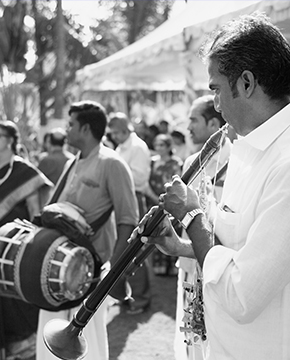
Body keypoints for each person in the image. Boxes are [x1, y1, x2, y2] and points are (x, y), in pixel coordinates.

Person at [138, 13, 290, 360]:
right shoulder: (246, 146)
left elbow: (242, 294)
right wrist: (180, 245)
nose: (215, 103)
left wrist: (192, 214)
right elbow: (232, 246)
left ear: (247, 83)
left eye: (216, 88)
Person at [36, 100, 139, 360]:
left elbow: (128, 219)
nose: (66, 130)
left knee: (87, 347)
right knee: (48, 342)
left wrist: (111, 276)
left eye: (71, 125)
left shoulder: (112, 163)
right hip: (56, 269)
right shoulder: (72, 163)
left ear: (84, 129)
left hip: (91, 273)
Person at [0, 120, 53, 360]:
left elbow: (36, 212)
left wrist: (33, 244)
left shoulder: (26, 171)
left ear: (11, 140)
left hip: (14, 246)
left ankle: (23, 349)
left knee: (13, 296)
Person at [174, 94, 232, 360]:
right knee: (190, 339)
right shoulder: (191, 162)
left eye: (193, 120)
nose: (188, 128)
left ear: (212, 125)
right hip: (189, 262)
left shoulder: (238, 161)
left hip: (222, 268)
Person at [108, 112, 152, 314]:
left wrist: (117, 175)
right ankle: (125, 295)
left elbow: (140, 178)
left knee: (136, 251)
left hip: (134, 201)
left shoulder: (137, 147)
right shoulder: (121, 147)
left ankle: (140, 299)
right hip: (122, 202)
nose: (114, 136)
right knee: (121, 252)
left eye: (116, 132)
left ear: (126, 130)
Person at [144, 133, 183, 275]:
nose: (158, 148)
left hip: (170, 202)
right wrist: (153, 197)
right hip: (154, 202)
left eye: (162, 145)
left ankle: (172, 267)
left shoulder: (176, 163)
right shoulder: (152, 162)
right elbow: (146, 181)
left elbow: (178, 183)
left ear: (168, 147)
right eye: (157, 145)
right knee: (156, 231)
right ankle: (159, 267)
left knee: (172, 231)